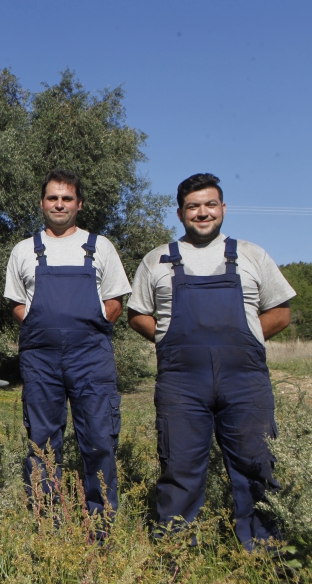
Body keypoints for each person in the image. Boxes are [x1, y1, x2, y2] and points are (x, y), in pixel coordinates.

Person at [128, 173, 294, 550]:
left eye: (210, 204)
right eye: (193, 206)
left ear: (223, 208)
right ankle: (174, 552)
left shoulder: (251, 254)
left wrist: (249, 337)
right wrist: (167, 338)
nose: (202, 212)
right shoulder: (157, 259)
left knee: (257, 466)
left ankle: (264, 553)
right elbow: (137, 314)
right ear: (180, 213)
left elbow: (281, 312)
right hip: (181, 383)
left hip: (245, 381)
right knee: (179, 469)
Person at [4, 169, 131, 520]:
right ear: (42, 202)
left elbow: (116, 300)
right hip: (40, 360)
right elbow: (16, 302)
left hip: (91, 357)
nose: (59, 204)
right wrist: (37, 323)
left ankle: (102, 523)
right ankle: (49, 524)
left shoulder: (100, 246)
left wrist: (97, 321)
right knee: (43, 443)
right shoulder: (24, 250)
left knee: (99, 439)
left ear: (79, 204)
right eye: (53, 198)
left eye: (67, 198)